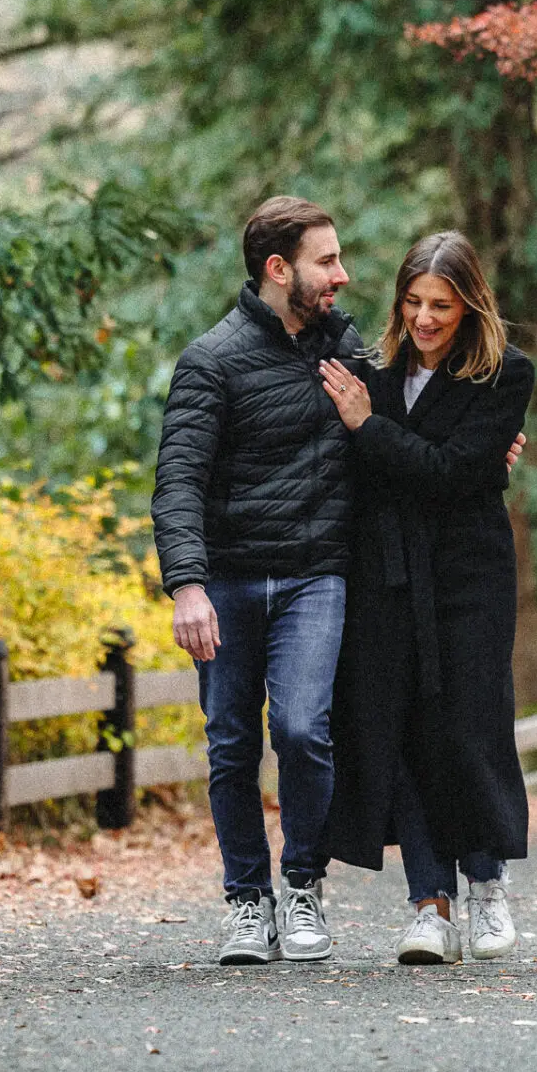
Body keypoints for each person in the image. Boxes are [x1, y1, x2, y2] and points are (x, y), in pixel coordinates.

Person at [316, 230, 537, 966]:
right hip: (386, 575)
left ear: (470, 305)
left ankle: (486, 885)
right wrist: (383, 438)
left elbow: (449, 473)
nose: (425, 319)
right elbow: (407, 472)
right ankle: (428, 906)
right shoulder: (371, 371)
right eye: (413, 302)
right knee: (404, 730)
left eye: (441, 304)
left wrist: (368, 430)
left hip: (469, 576)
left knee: (468, 723)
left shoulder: (505, 377)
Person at [151, 196, 360, 966]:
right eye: (326, 260)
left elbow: (403, 423)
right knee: (233, 748)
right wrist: (187, 587)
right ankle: (248, 901)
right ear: (279, 270)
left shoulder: (348, 348)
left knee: (303, 731)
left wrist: (485, 450)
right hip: (230, 583)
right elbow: (177, 481)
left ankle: (301, 884)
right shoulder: (212, 359)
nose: (343, 274)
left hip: (316, 577)